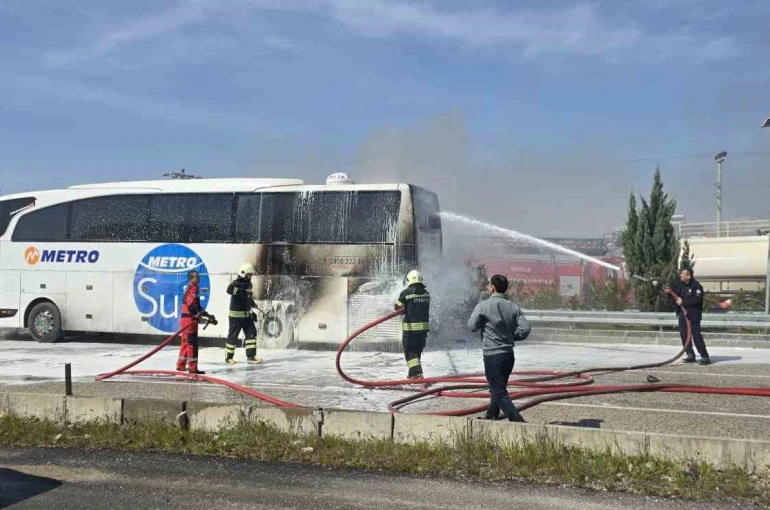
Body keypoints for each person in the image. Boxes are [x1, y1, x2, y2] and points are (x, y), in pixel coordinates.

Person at [468, 274, 531, 422]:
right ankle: (491, 416)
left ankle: (518, 422)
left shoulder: (483, 306)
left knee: (499, 391)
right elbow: (525, 329)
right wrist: (512, 337)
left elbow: (471, 326)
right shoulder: (513, 307)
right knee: (497, 387)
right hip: (508, 355)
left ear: (492, 288)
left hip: (492, 355)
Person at [667, 268, 711, 365]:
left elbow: (697, 300)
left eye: (683, 274)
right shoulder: (680, 285)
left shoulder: (696, 286)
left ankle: (704, 356)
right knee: (684, 335)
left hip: (693, 315)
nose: (680, 275)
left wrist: (684, 302)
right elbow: (674, 294)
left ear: (689, 276)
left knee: (696, 336)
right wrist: (668, 292)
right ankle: (690, 354)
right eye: (680, 273)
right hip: (683, 314)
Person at [177, 270, 216, 374]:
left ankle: (180, 365)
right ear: (191, 278)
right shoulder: (193, 289)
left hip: (185, 319)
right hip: (190, 321)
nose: (198, 278)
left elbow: (197, 306)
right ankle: (193, 368)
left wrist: (206, 314)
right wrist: (198, 317)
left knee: (185, 343)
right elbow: (191, 306)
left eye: (198, 276)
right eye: (196, 277)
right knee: (192, 344)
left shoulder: (189, 288)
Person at [395, 270, 430, 380]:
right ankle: (412, 374)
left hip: (410, 329)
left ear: (409, 280)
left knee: (410, 351)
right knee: (417, 351)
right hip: (423, 330)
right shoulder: (426, 294)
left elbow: (398, 308)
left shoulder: (406, 293)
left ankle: (417, 373)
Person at [225, 263, 262, 365]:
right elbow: (229, 290)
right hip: (235, 317)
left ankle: (251, 356)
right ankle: (228, 358)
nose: (250, 276)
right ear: (243, 274)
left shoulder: (249, 285)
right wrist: (240, 291)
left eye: (251, 274)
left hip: (247, 316)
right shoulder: (235, 283)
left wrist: (253, 305)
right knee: (233, 337)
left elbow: (248, 298)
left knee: (251, 333)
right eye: (249, 274)